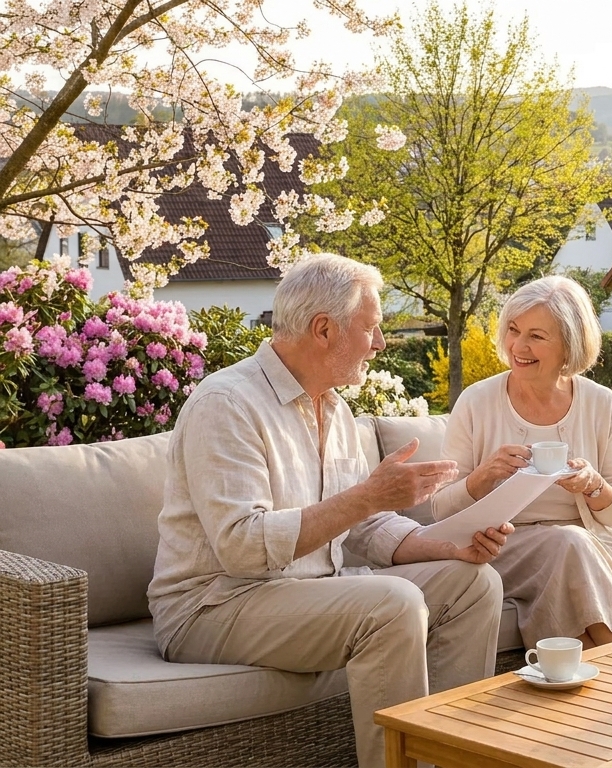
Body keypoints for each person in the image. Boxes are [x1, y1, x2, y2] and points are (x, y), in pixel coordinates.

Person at [147, 253, 511, 768]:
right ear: (324, 330)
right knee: (392, 604)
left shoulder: (336, 409)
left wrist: (450, 547)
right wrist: (368, 495)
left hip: (305, 591)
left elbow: (362, 526)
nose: (381, 343)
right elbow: (243, 547)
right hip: (215, 604)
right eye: (373, 328)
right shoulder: (226, 404)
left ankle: (451, 760)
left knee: (473, 584)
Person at [433, 275, 612, 650]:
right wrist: (483, 476)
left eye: (536, 336)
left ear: (569, 345)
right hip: (503, 548)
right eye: (513, 330)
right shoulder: (476, 401)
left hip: (588, 547)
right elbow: (439, 509)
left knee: (572, 553)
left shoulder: (601, 404)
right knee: (567, 542)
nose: (518, 346)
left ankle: (598, 692)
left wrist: (592, 485)